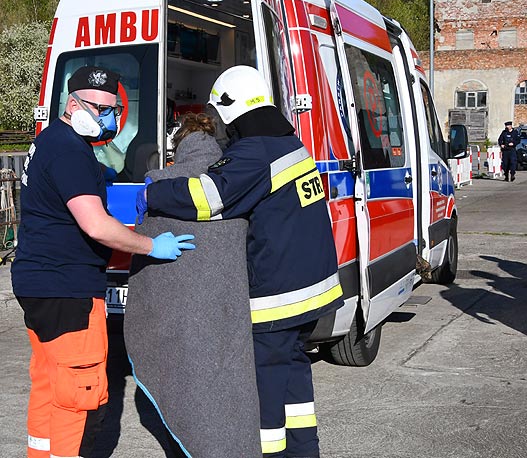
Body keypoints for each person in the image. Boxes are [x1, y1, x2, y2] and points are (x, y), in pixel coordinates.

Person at [136, 65, 344, 458]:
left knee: (264, 398)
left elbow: (208, 197)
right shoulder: (290, 144)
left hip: (279, 301)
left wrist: (155, 194)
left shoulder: (255, 152)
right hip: (315, 294)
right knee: (294, 381)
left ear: (230, 109)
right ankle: (305, 451)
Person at [10, 65, 195, 458]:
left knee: (49, 385)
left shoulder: (50, 141)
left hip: (38, 285)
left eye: (113, 109)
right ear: (74, 104)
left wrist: (97, 173)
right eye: (101, 109)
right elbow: (96, 225)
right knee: (78, 395)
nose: (109, 118)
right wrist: (148, 245)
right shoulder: (69, 151)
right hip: (68, 292)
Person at [124, 111, 262, 458]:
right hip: (226, 311)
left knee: (181, 383)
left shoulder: (158, 184)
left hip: (177, 318)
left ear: (179, 146)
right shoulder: (236, 184)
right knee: (228, 388)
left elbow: (143, 250)